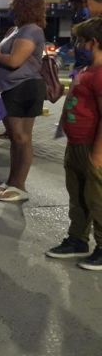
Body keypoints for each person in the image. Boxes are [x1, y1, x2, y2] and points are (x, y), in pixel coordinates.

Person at [0, 0, 48, 202]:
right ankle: (12, 181)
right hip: (12, 88)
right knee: (15, 138)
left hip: (24, 87)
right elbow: (5, 55)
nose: (11, 7)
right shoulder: (18, 30)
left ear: (24, 7)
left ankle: (20, 185)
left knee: (21, 138)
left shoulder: (31, 30)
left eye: (15, 4)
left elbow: (15, 61)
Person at [45, 17, 102, 270]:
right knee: (78, 195)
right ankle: (78, 239)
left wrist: (98, 153)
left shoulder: (100, 74)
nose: (76, 46)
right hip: (76, 144)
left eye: (80, 41)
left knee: (97, 198)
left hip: (92, 147)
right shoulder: (86, 70)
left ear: (94, 43)